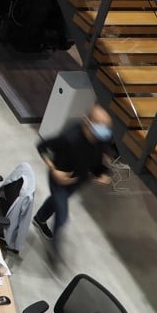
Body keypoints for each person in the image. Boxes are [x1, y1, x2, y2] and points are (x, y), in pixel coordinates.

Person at [32, 104, 114, 256]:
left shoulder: (102, 138)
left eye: (106, 127)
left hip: (79, 180)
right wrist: (53, 169)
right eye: (101, 126)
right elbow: (42, 147)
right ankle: (54, 250)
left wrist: (103, 173)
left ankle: (40, 218)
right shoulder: (69, 138)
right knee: (62, 215)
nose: (105, 131)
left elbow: (103, 156)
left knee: (56, 201)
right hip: (60, 180)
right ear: (87, 122)